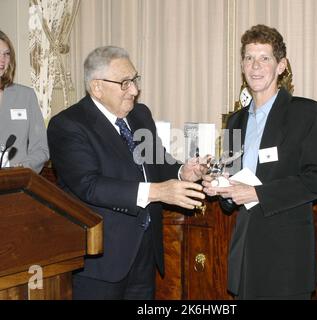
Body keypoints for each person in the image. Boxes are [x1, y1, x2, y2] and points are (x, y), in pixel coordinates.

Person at [47, 46, 207, 300]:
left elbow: (158, 163)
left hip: (144, 250)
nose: (134, 90)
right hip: (101, 258)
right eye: (125, 83)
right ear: (97, 87)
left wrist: (182, 172)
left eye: (134, 80)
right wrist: (158, 191)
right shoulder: (68, 124)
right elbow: (90, 185)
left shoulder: (140, 116)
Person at [203, 24, 317, 300]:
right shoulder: (235, 121)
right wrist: (218, 187)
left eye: (264, 58)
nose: (255, 66)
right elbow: (231, 193)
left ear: (281, 65)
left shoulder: (305, 112)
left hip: (286, 258)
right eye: (249, 58)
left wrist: (257, 193)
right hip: (245, 253)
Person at [0, 30, 49, 173]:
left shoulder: (25, 96)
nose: (2, 59)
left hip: (17, 183)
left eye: (6, 54)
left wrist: (21, 169)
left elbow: (41, 149)